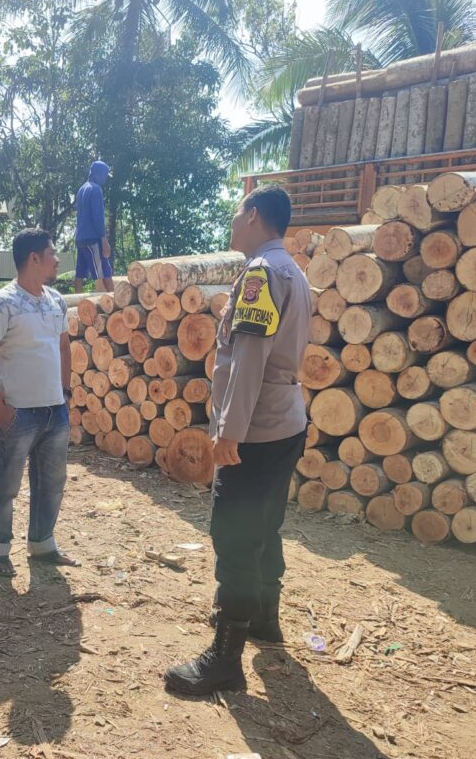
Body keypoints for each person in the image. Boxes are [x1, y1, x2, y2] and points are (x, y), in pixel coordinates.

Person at [164, 186, 311, 696]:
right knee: (265, 524)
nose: (231, 220)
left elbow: (248, 356)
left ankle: (225, 660)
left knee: (235, 535)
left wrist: (229, 431)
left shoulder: (261, 274)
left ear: (253, 216)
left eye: (236, 211)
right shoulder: (292, 270)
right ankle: (264, 619)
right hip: (285, 420)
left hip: (257, 427)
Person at [0, 227, 79, 577]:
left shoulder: (56, 300)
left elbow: (64, 347)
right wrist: (1, 408)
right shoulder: (2, 303)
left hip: (54, 411)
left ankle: (42, 544)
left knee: (52, 481)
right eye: (52, 252)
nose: (58, 258)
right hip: (18, 413)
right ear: (33, 258)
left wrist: (64, 394)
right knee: (6, 483)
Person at [73, 160, 114, 293]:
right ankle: (112, 306)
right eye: (105, 175)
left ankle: (76, 302)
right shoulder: (96, 190)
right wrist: (104, 239)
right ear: (97, 174)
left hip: (80, 238)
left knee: (80, 273)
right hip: (92, 239)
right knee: (103, 273)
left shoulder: (81, 189)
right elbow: (97, 217)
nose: (106, 178)